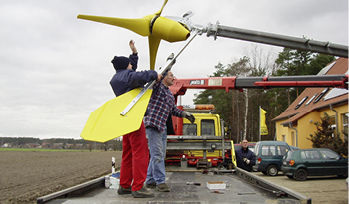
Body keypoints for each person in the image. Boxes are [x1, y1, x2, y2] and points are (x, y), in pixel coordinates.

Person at [110, 40, 161, 198]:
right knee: (141, 152)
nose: (132, 66)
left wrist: (134, 53)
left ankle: (124, 185)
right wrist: (155, 74)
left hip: (124, 119)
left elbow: (132, 71)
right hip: (134, 117)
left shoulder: (117, 78)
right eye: (130, 64)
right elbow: (142, 75)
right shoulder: (128, 77)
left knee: (128, 153)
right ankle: (138, 187)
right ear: (126, 67)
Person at [144, 70, 195, 192]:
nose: (174, 78)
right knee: (157, 154)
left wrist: (184, 114)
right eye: (171, 75)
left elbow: (173, 110)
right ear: (164, 77)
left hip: (162, 127)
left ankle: (150, 180)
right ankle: (160, 182)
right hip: (153, 125)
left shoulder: (169, 94)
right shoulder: (158, 88)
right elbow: (155, 80)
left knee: (159, 155)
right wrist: (169, 65)